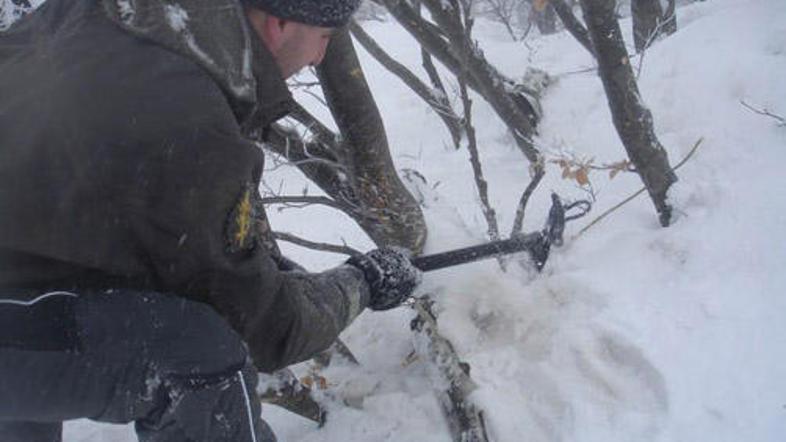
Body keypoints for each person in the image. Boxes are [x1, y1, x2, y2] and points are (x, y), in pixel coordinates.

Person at [0, 0, 421, 440]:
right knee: (200, 357)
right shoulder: (186, 117)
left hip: (20, 283)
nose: (318, 58)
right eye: (324, 39)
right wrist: (362, 283)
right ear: (279, 23)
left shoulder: (103, 19)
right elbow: (266, 327)